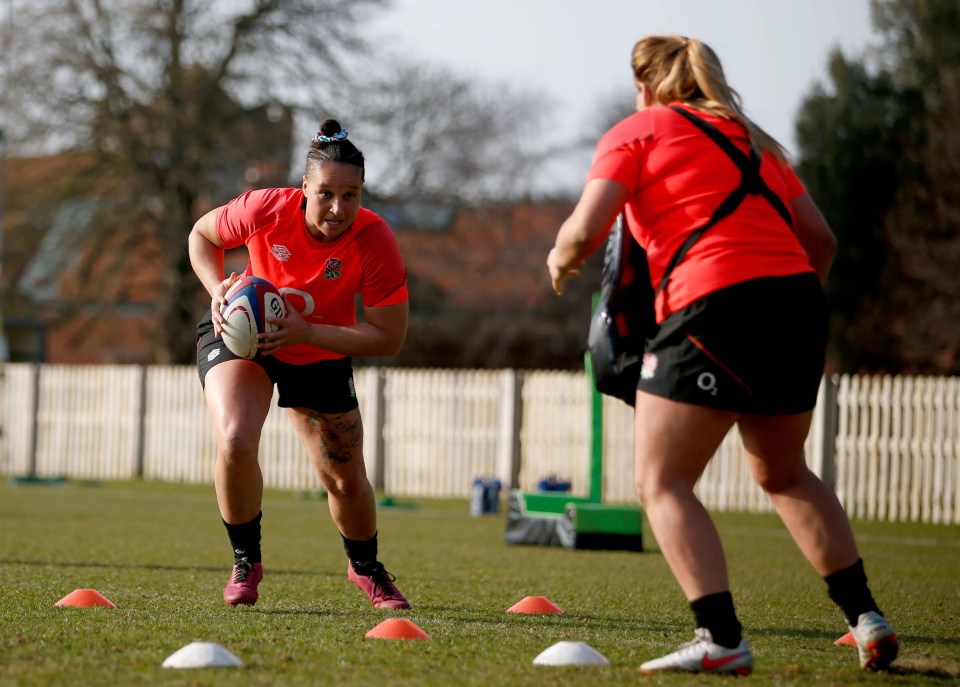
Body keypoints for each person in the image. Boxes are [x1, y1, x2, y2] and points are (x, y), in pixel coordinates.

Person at [547, 35, 897, 675]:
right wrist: (776, 299)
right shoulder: (757, 142)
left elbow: (585, 229)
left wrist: (560, 261)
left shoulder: (638, 130)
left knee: (663, 480)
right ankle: (866, 617)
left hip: (713, 305)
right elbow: (821, 239)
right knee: (784, 472)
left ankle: (721, 636)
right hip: (797, 304)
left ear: (645, 87)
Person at [188, 118, 411, 610]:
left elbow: (390, 337)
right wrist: (218, 289)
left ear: (362, 193)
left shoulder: (375, 240)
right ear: (304, 187)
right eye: (326, 193)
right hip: (246, 338)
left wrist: (308, 333)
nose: (337, 208)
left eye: (350, 196)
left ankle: (366, 568)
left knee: (344, 478)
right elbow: (201, 236)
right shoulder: (264, 208)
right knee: (235, 437)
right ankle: (246, 560)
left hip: (319, 348)